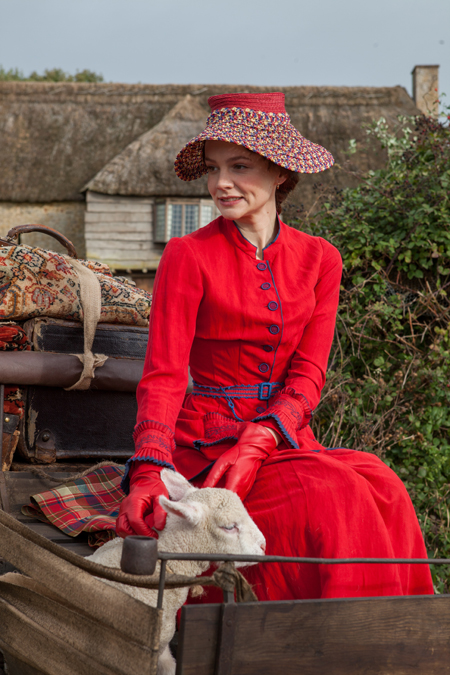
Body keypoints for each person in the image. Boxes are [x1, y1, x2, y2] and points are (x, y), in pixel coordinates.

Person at [116, 92, 433, 600]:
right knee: (334, 494)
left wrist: (264, 437)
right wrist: (149, 469)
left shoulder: (322, 259)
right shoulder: (187, 255)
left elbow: (309, 373)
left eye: (239, 166)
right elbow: (164, 375)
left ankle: (399, 645)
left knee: (386, 487)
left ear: (281, 172)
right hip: (207, 444)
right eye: (215, 167)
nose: (221, 183)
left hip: (283, 439)